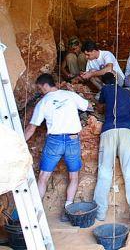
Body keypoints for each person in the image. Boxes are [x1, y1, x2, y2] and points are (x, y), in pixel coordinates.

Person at [24, 73, 90, 221]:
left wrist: (19, 142)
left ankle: (35, 212)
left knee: (43, 176)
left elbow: (31, 128)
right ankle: (68, 209)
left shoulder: (43, 102)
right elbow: (87, 106)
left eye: (40, 88)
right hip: (73, 139)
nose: (40, 91)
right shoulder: (70, 95)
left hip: (54, 141)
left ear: (45, 85)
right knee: (74, 176)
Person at [93, 72, 130, 223]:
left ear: (105, 83)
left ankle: (99, 213)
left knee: (105, 172)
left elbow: (100, 105)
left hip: (109, 131)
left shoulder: (106, 89)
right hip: (126, 131)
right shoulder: (126, 92)